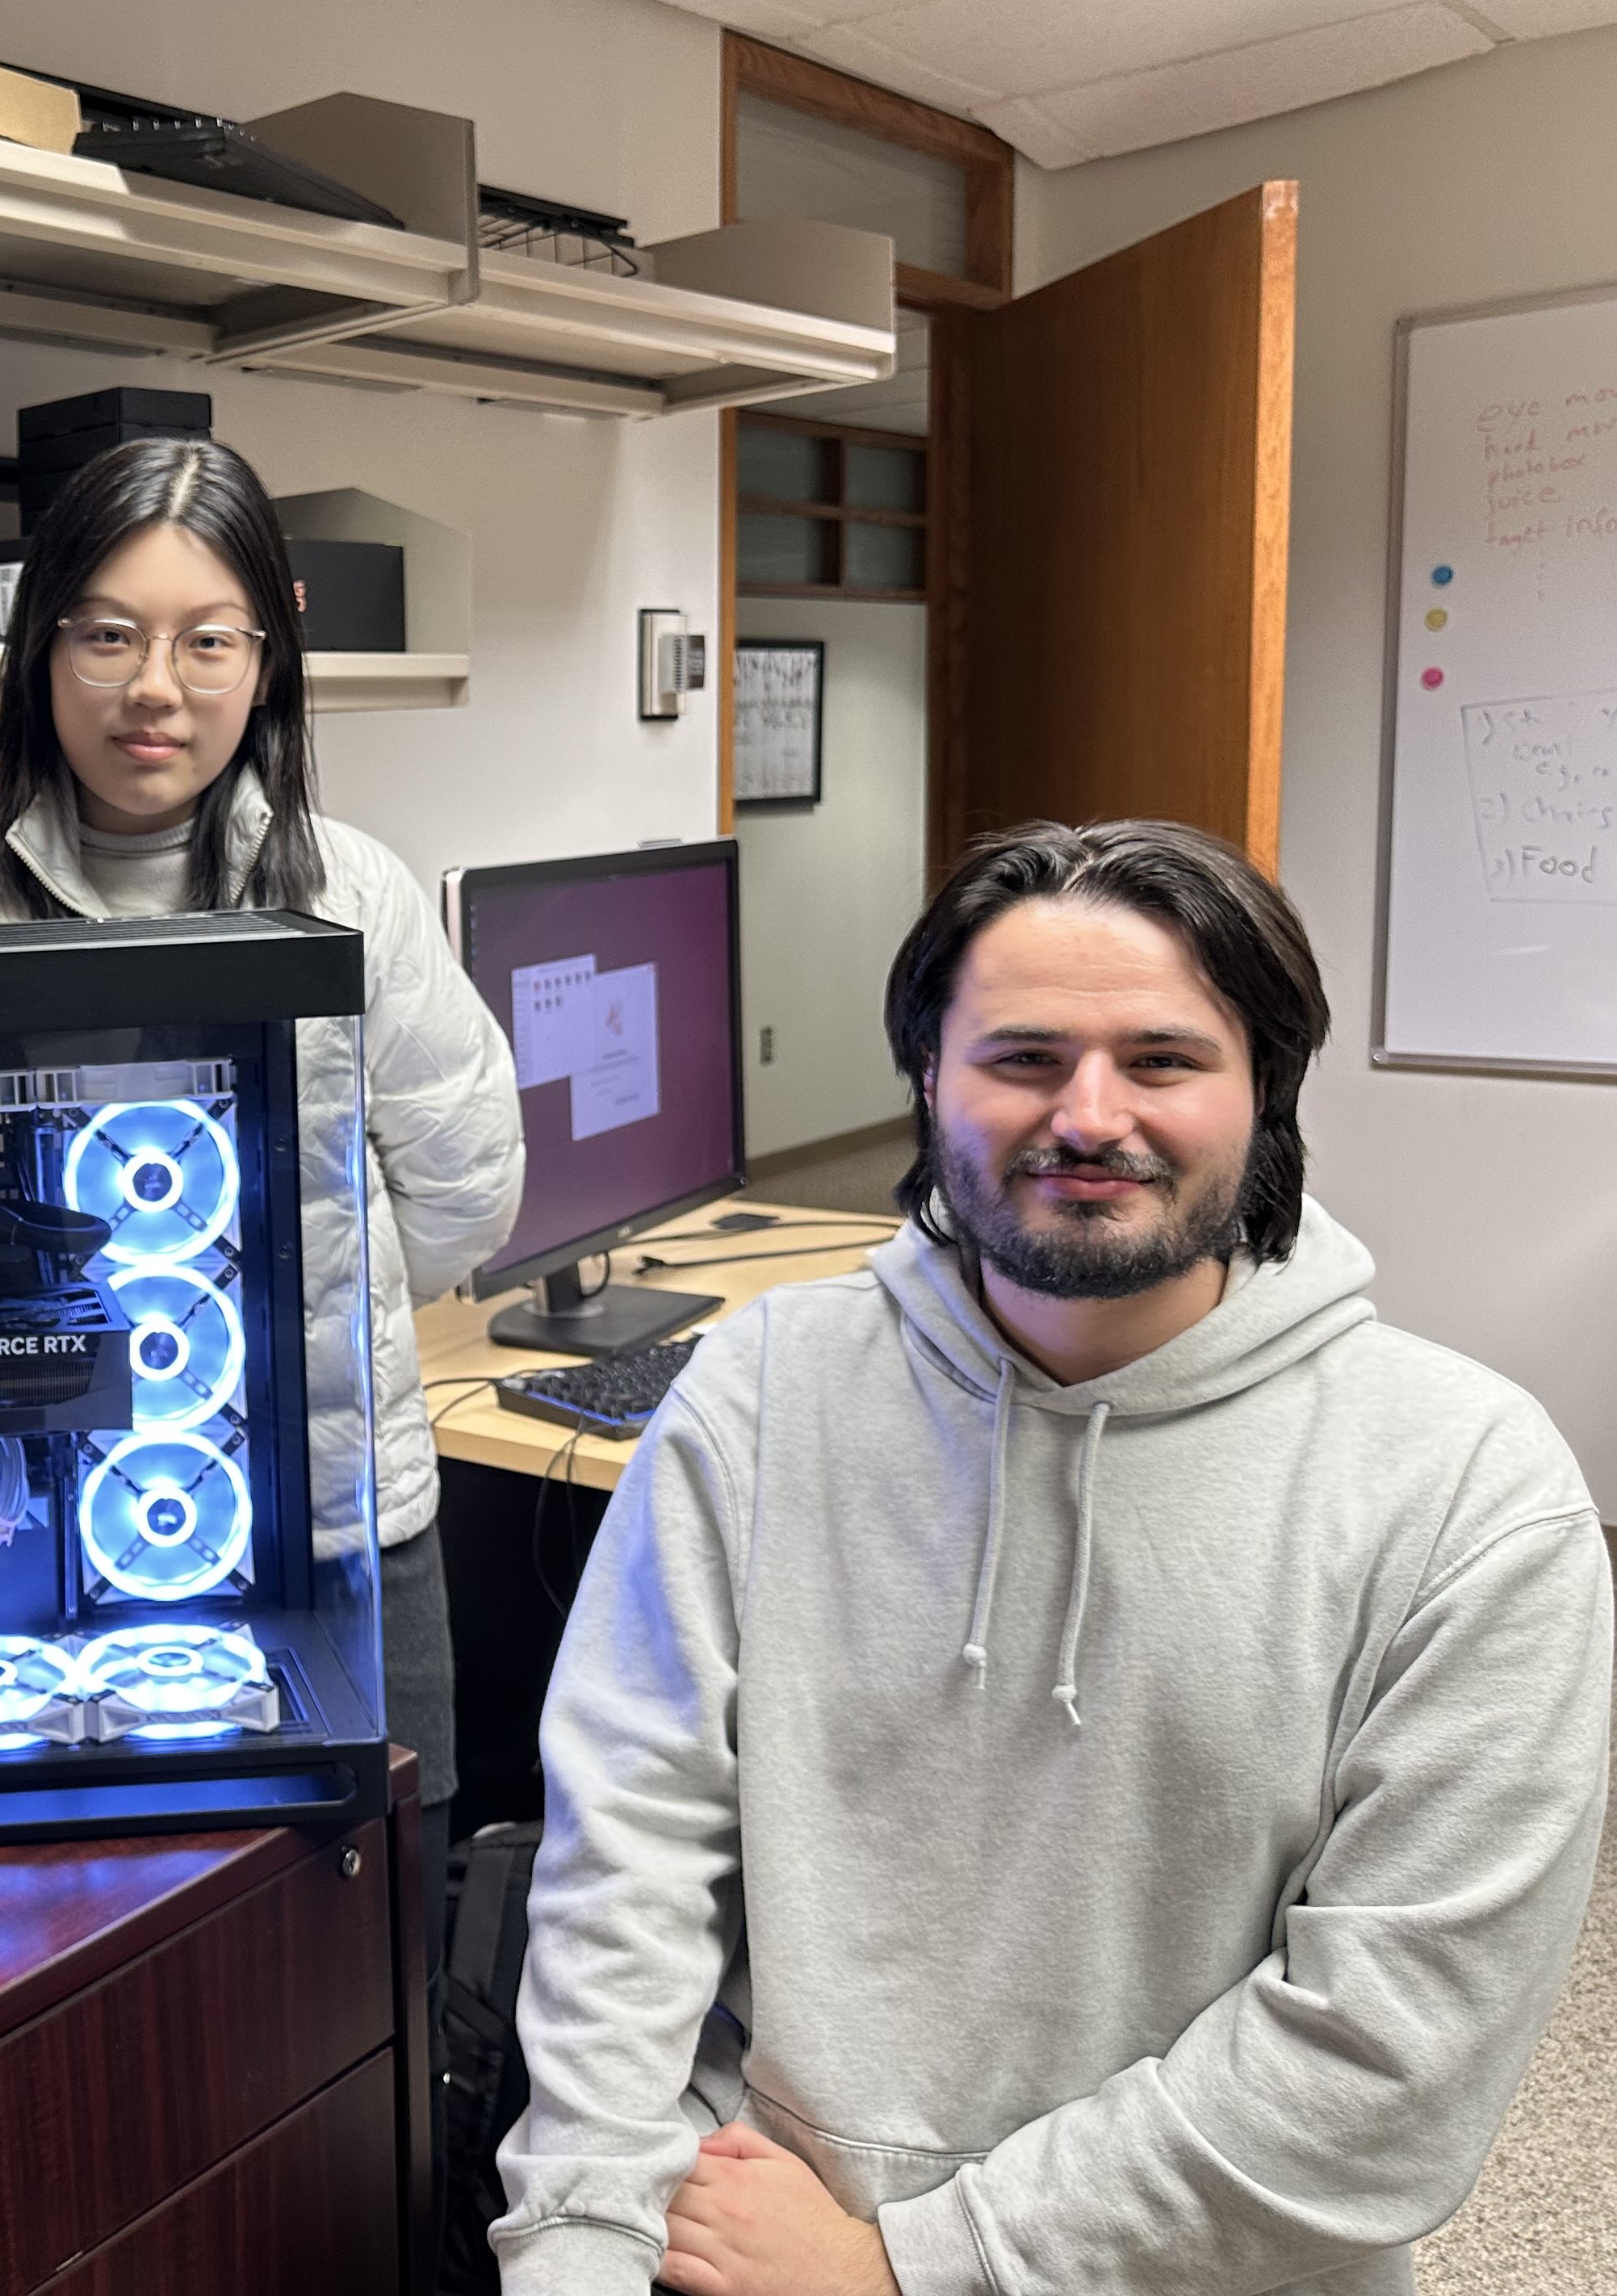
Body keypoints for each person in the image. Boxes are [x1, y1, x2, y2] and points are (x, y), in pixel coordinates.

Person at [492, 819, 1613, 2296]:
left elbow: (1388, 2066)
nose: (1089, 1116)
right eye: (1022, 1058)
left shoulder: (1470, 1491)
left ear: (1264, 1092)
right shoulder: (762, 1398)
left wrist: (910, 2267)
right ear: (928, 1084)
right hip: (745, 2229)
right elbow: (628, 1860)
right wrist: (582, 2239)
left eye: (1162, 1060)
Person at [0, 435, 525, 1930]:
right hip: (41, 1549)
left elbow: (465, 1193)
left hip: (343, 1539)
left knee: (372, 1929)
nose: (153, 687)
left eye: (205, 640)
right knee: (109, 1938)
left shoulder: (351, 893)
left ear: (269, 647)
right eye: (107, 633)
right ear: (40, 642)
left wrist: (313, 1321)